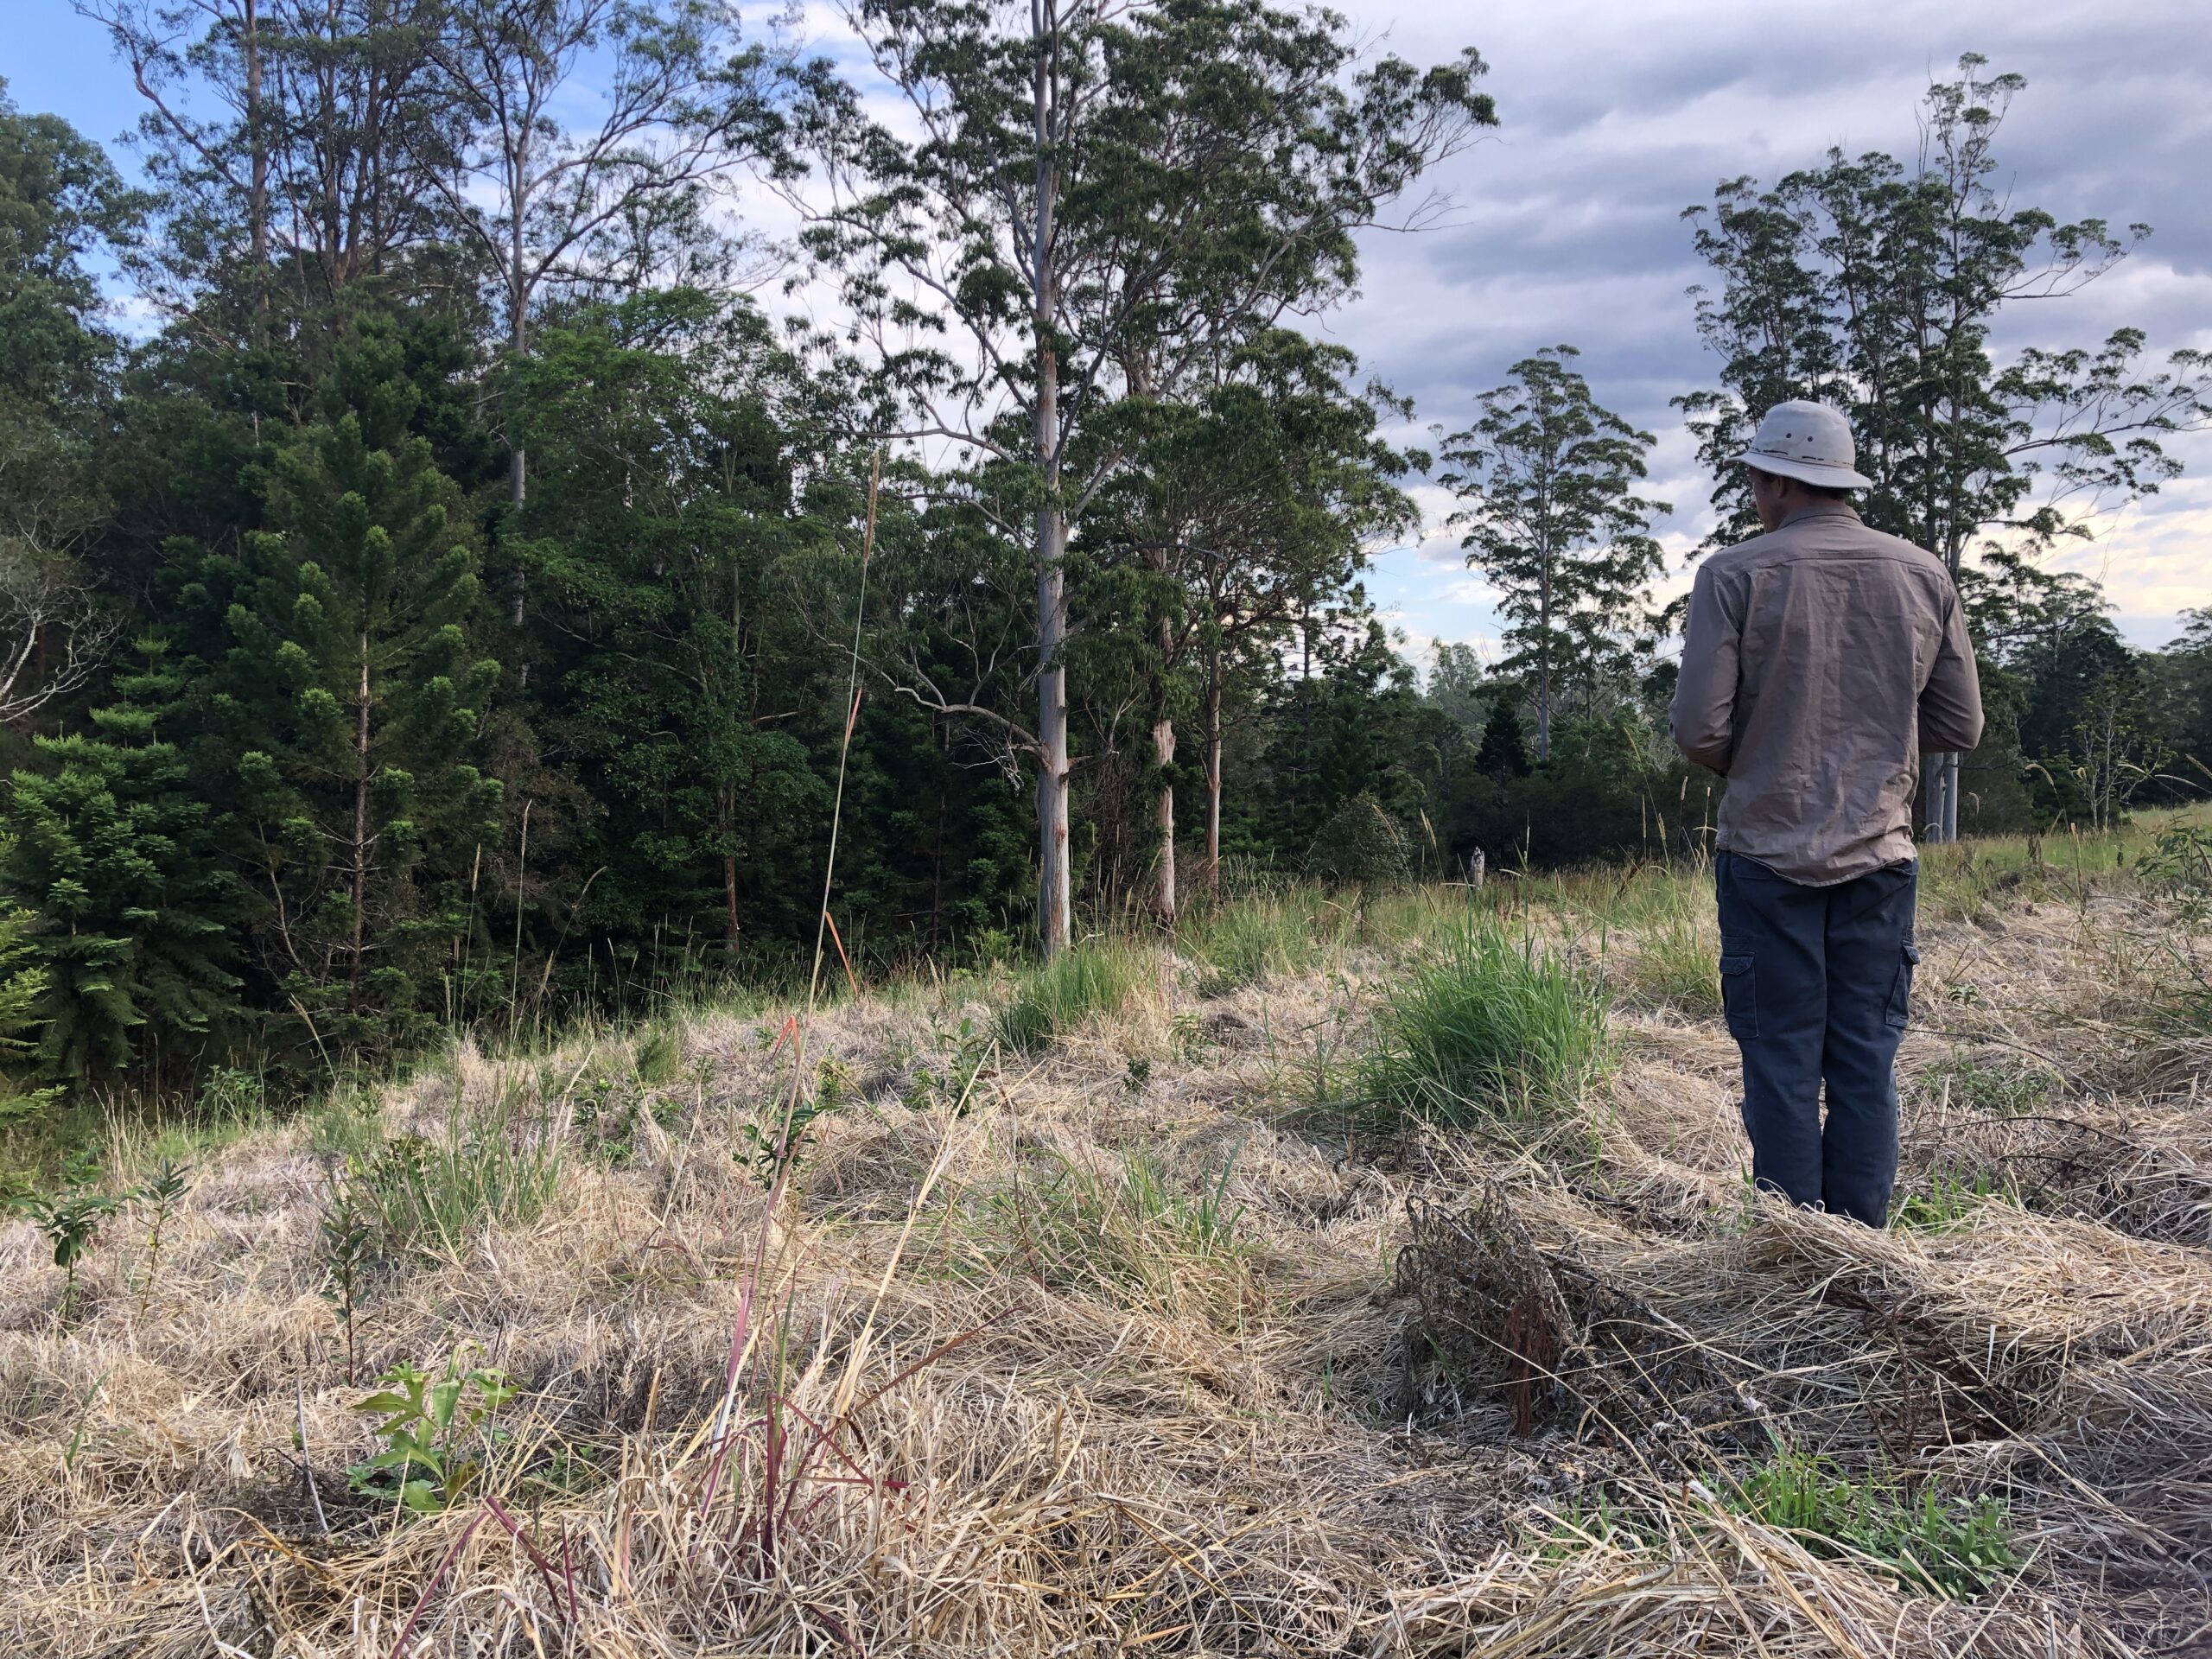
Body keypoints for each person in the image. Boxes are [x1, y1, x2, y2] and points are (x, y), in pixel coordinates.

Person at [1669, 400, 1983, 1226]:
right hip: (1880, 856)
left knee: (1778, 1057)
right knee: (1865, 1058)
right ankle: (1862, 1246)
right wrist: (1877, 750)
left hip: (1766, 857)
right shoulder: (1922, 573)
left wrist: (1770, 759)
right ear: (1839, 482)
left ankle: (1794, 1249)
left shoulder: (1732, 575)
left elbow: (1698, 728)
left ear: (1775, 481)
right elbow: (1961, 725)